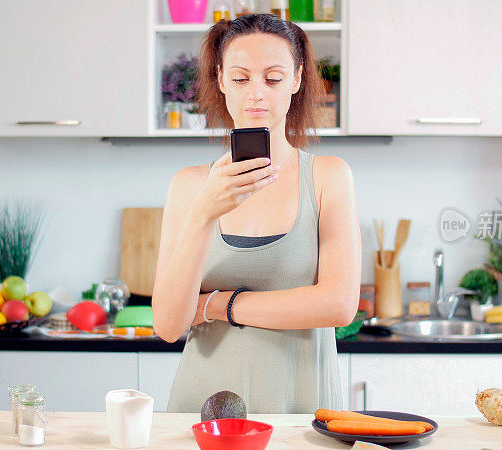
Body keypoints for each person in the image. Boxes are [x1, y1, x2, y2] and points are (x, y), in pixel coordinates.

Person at [151, 13, 362, 414]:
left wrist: (218, 305)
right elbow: (168, 323)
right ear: (220, 79)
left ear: (297, 80)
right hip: (204, 410)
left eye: (274, 78)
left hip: (301, 411)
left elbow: (337, 305)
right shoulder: (189, 186)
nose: (256, 95)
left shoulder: (327, 176)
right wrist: (204, 214)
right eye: (241, 78)